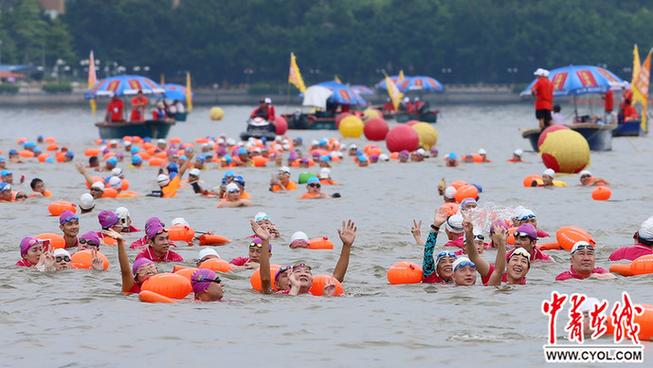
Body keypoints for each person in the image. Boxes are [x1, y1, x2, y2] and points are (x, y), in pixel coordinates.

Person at [255, 219, 357, 295]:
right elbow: (265, 279)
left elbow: (337, 278)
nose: (303, 273)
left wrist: (346, 246)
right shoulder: (275, 294)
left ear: (311, 283)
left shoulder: (315, 295)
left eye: (307, 272)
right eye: (298, 272)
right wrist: (265, 241)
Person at [463, 217, 528, 286]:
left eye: (523, 261)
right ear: (507, 264)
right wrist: (469, 234)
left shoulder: (527, 285)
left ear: (528, 269)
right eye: (515, 260)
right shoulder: (491, 272)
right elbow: (474, 257)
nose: (518, 264)